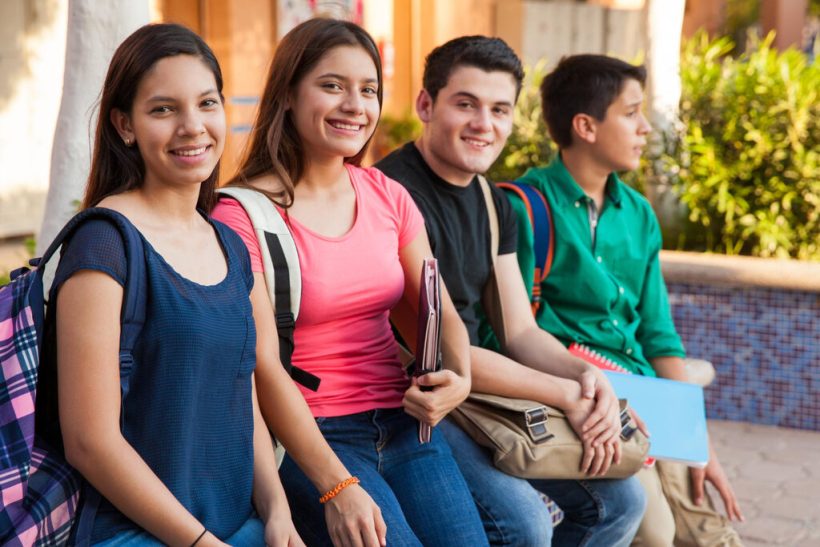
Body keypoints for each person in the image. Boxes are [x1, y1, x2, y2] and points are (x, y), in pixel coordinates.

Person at [211, 18, 487, 547]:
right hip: (313, 437)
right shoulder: (242, 215)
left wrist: (462, 376)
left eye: (369, 90)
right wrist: (335, 485)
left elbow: (437, 308)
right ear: (289, 94)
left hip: (405, 423)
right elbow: (262, 366)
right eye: (332, 85)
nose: (355, 105)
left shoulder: (387, 194)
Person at [376, 36, 646, 547]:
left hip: (479, 395)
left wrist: (589, 379)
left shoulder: (493, 204)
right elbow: (436, 351)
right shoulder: (390, 196)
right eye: (466, 104)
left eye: (499, 109)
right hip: (415, 400)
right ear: (425, 105)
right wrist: (565, 396)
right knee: (523, 522)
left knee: (622, 500)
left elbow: (520, 331)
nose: (485, 124)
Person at [52, 24, 296, 545]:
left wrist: (277, 510)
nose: (193, 127)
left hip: (239, 526)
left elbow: (241, 393)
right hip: (136, 533)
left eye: (207, 103)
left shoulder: (229, 244)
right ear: (125, 125)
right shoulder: (104, 244)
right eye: (164, 110)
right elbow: (89, 441)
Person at [507, 54, 744, 547]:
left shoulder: (638, 214)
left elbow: (658, 333)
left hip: (650, 398)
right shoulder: (524, 207)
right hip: (583, 398)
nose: (644, 128)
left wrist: (700, 443)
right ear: (586, 126)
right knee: (653, 531)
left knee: (706, 530)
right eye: (631, 113)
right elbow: (508, 332)